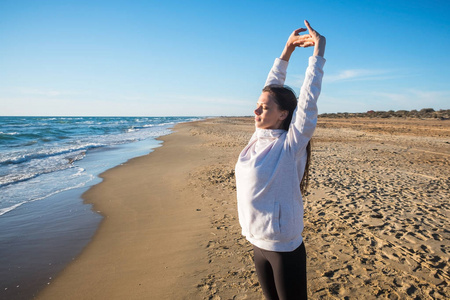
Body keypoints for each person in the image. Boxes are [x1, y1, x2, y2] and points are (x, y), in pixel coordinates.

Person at [235, 20, 326, 300]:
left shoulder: (290, 146)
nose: (256, 110)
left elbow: (308, 101)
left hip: (283, 247)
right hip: (256, 242)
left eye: (264, 108)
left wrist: (318, 54)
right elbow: (272, 86)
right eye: (258, 105)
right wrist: (286, 50)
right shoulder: (258, 136)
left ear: (283, 114)